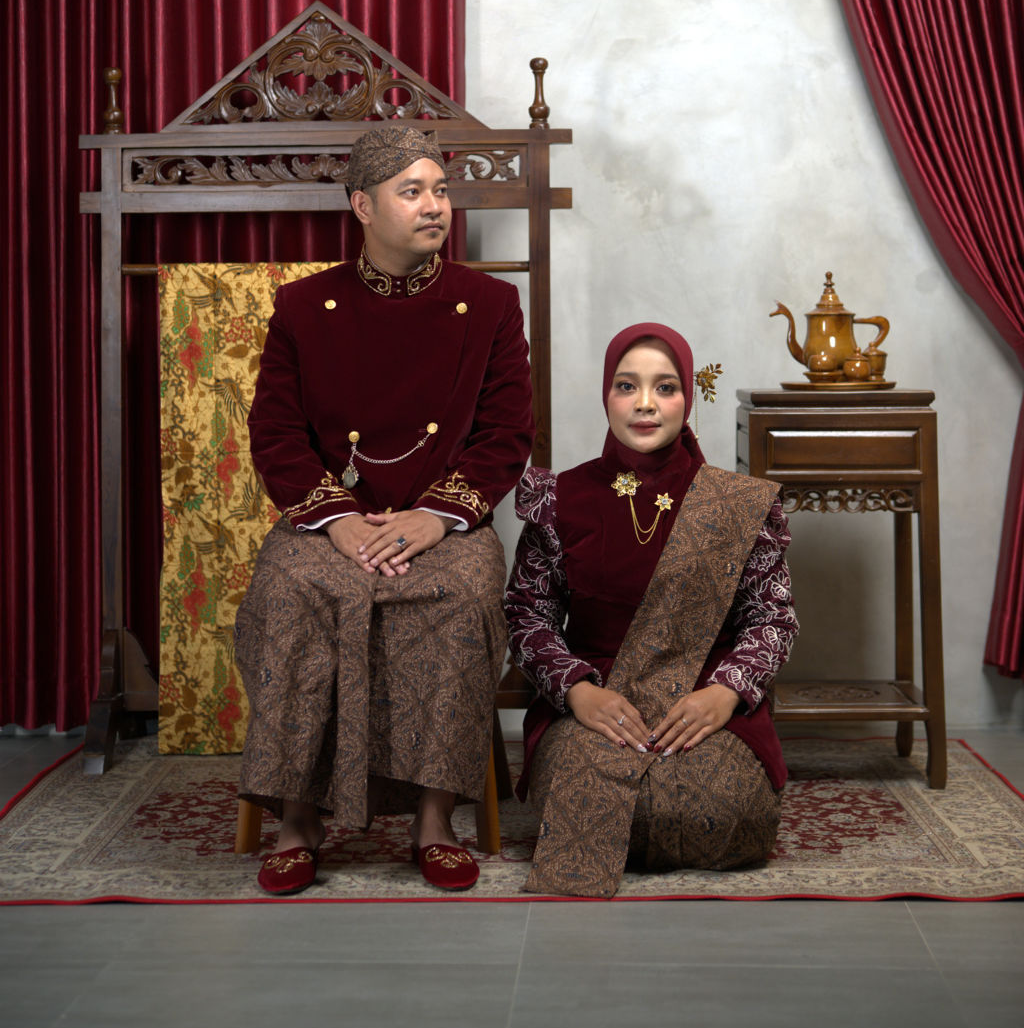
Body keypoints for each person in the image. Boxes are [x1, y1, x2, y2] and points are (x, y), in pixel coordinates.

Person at [234, 124, 534, 894]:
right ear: (363, 205)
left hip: (443, 520)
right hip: (331, 517)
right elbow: (275, 432)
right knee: (290, 589)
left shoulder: (491, 304)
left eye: (441, 190)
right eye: (413, 191)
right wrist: (336, 520)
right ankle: (298, 819)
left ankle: (434, 819)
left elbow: (506, 433)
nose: (435, 206)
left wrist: (436, 516)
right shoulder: (304, 306)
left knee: (459, 594)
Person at [504, 322, 798, 898]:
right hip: (598, 700)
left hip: (703, 700)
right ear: (606, 396)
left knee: (727, 810)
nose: (645, 403)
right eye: (626, 386)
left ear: (688, 398)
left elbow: (772, 618)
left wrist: (725, 693)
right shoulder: (560, 498)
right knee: (583, 794)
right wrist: (577, 691)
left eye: (665, 387)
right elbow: (528, 615)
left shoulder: (736, 504)